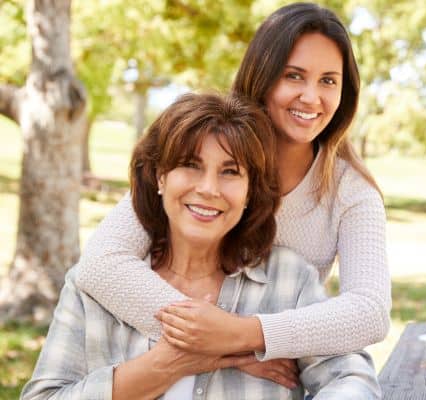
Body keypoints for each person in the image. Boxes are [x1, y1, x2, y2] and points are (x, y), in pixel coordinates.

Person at [75, 1, 391, 387]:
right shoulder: (204, 154)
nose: (311, 97)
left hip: (265, 382)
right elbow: (100, 264)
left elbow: (370, 311)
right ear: (262, 76)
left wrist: (245, 334)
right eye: (294, 75)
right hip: (153, 368)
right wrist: (213, 347)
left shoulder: (351, 192)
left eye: (328, 80)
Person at [21, 93, 381, 400]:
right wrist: (166, 365)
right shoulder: (94, 288)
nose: (208, 188)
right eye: (190, 166)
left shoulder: (288, 279)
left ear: (249, 192)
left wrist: (240, 335)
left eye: (230, 172)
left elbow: (352, 380)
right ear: (161, 177)